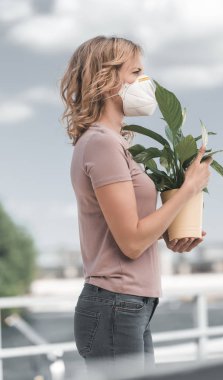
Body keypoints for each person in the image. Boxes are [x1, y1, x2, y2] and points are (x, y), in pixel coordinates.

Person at [59, 35, 213, 376]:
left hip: (129, 304)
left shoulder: (112, 143)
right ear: (106, 78)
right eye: (136, 72)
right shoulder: (101, 144)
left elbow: (127, 231)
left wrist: (169, 235)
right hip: (115, 303)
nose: (146, 83)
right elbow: (130, 241)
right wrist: (188, 189)